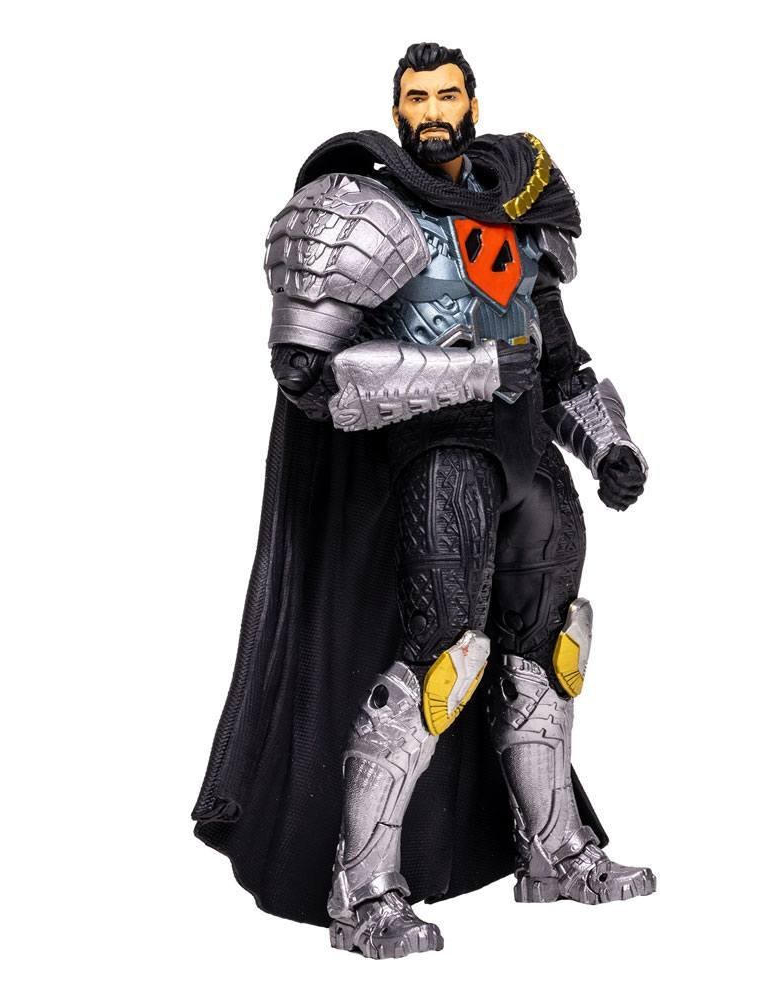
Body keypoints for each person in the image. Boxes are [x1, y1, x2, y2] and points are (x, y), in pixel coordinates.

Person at [193, 41, 655, 961]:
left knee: (549, 650)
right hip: (441, 454)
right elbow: (310, 375)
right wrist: (476, 370)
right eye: (417, 97)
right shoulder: (366, 208)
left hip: (529, 457)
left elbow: (559, 357)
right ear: (397, 108)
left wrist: (609, 443)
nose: (434, 111)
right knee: (442, 657)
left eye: (447, 95)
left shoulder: (517, 204)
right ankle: (364, 889)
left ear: (472, 103)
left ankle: (555, 850)